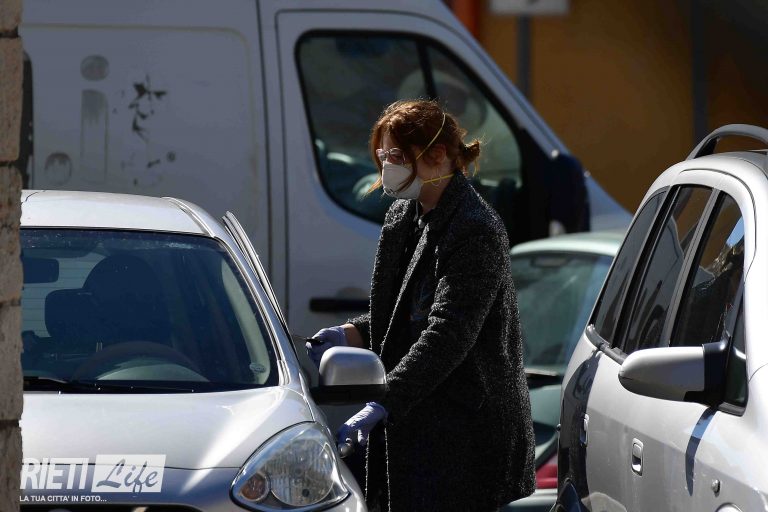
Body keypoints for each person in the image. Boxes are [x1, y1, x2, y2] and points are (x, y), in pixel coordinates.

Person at [307, 99, 535, 512]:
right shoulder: (403, 216)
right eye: (383, 157)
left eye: (397, 156)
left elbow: (449, 332)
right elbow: (402, 314)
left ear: (438, 155)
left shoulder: (475, 229)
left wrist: (384, 403)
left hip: (465, 440)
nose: (387, 168)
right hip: (417, 431)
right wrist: (350, 333)